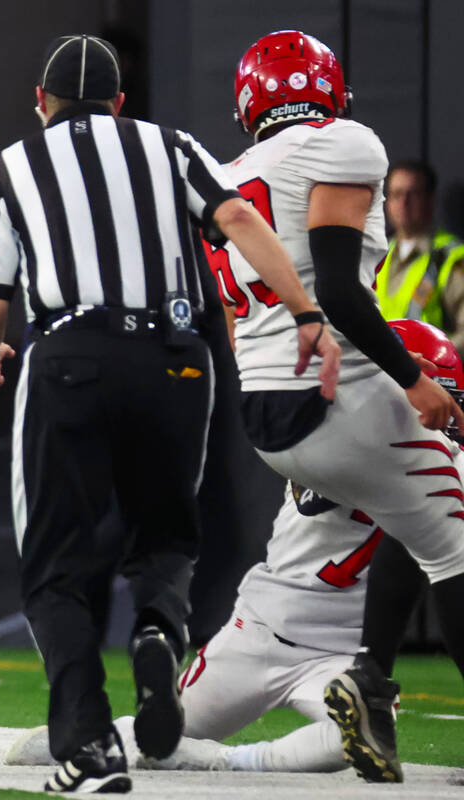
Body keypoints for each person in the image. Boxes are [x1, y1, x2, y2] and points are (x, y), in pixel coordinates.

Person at [0, 34, 338, 794]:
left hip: (71, 359)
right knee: (165, 535)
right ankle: (161, 632)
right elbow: (238, 221)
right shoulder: (170, 146)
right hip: (176, 360)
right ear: (120, 103)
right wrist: (305, 310)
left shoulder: (11, 168)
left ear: (41, 103)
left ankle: (88, 742)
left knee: (56, 561)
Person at [4, 320, 462, 775]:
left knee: (359, 740)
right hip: (261, 633)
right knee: (159, 736)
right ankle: (92, 733)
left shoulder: (445, 467)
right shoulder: (344, 442)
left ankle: (230, 762)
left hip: (344, 654)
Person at [219, 30, 464, 784]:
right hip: (333, 391)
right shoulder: (345, 142)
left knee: (419, 515)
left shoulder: (230, 173)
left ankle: (370, 679)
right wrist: (412, 382)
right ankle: (367, 681)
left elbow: (232, 320)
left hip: (264, 410)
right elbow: (336, 290)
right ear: (330, 92)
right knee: (457, 542)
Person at [376, 161, 464, 347]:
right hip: (378, 373)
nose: (404, 203)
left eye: (413, 194)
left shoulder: (450, 257)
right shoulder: (376, 255)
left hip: (427, 372)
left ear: (430, 200)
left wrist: (435, 357)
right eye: (397, 194)